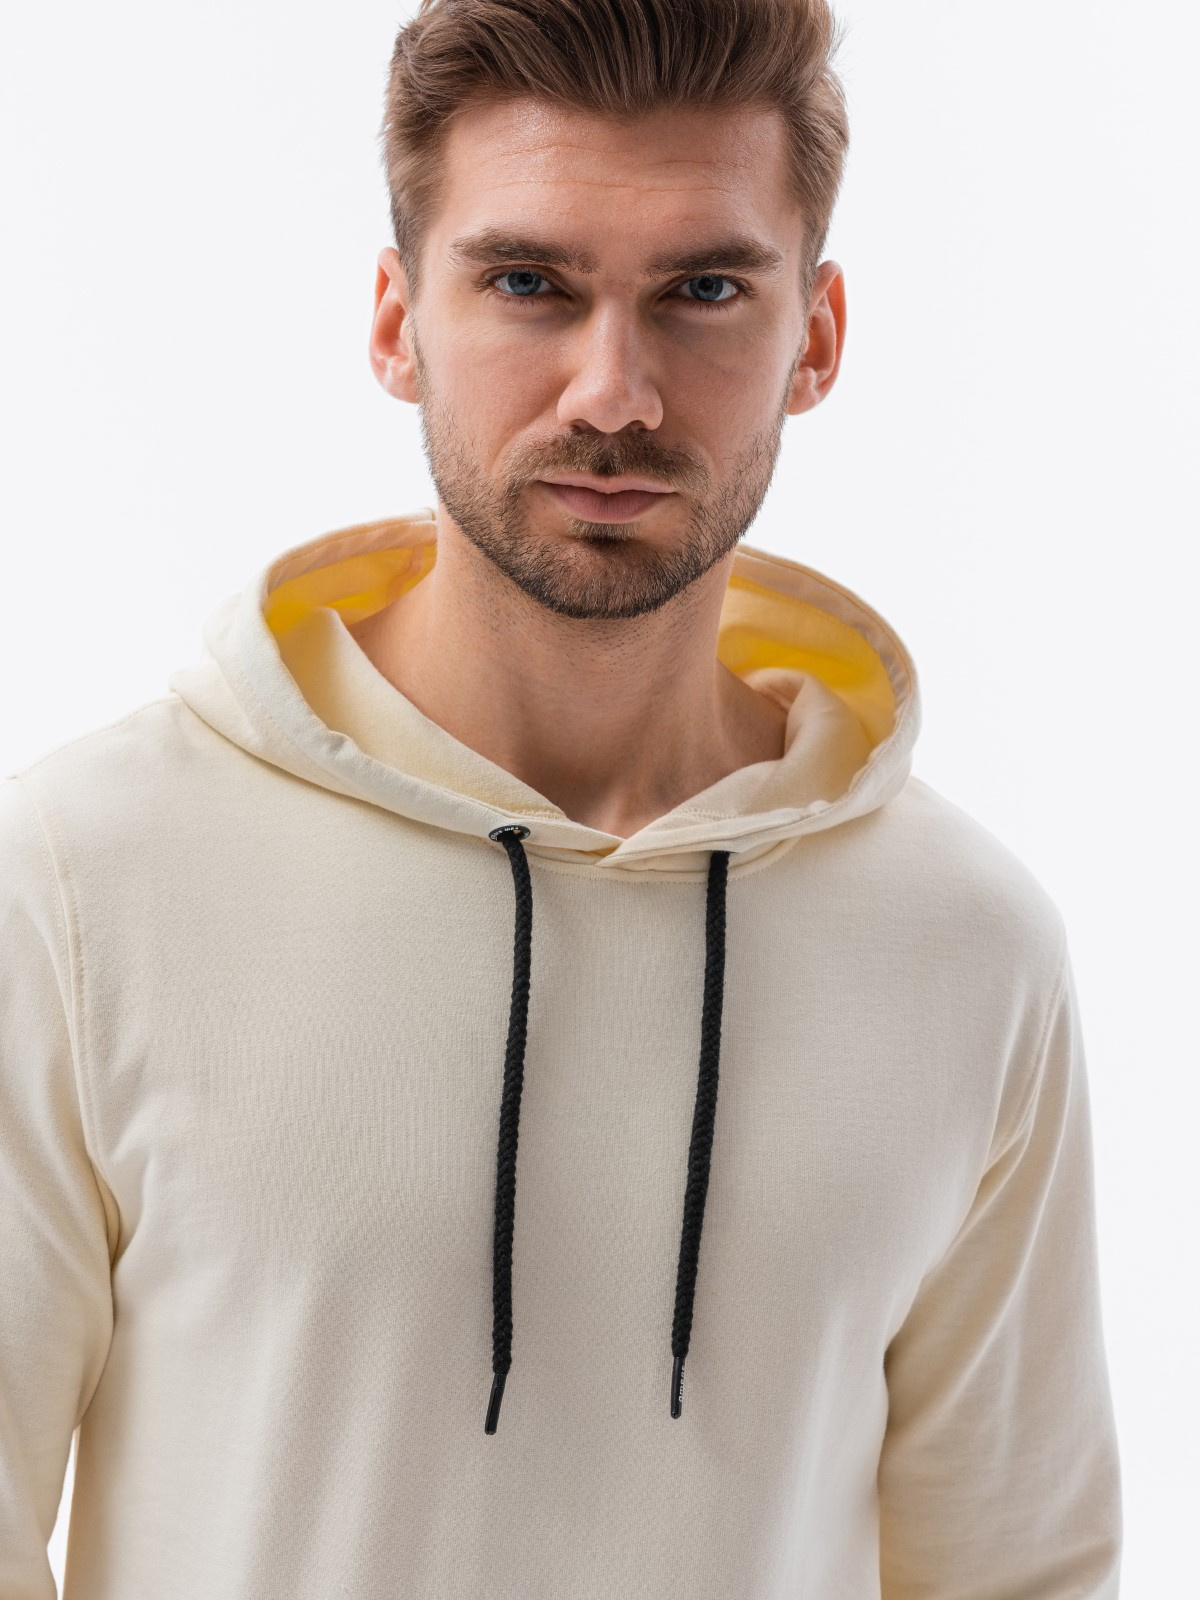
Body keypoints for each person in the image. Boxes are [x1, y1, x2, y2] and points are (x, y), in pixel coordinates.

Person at [0, 1, 1122, 1595]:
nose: (614, 393)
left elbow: (1019, 1571)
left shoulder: (968, 945)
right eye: (529, 283)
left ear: (816, 337)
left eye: (704, 291)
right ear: (397, 321)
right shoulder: (80, 880)